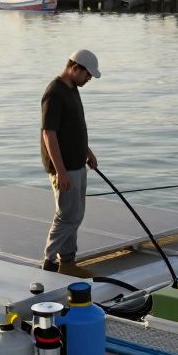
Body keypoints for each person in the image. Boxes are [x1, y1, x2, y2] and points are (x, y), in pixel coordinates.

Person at [40, 49, 101, 278]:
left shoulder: (72, 89)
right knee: (67, 215)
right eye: (88, 75)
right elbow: (49, 134)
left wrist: (87, 152)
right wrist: (60, 171)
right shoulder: (55, 92)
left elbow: (74, 127)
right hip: (64, 167)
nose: (89, 80)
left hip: (77, 163)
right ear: (75, 67)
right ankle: (48, 262)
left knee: (76, 213)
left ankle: (67, 262)